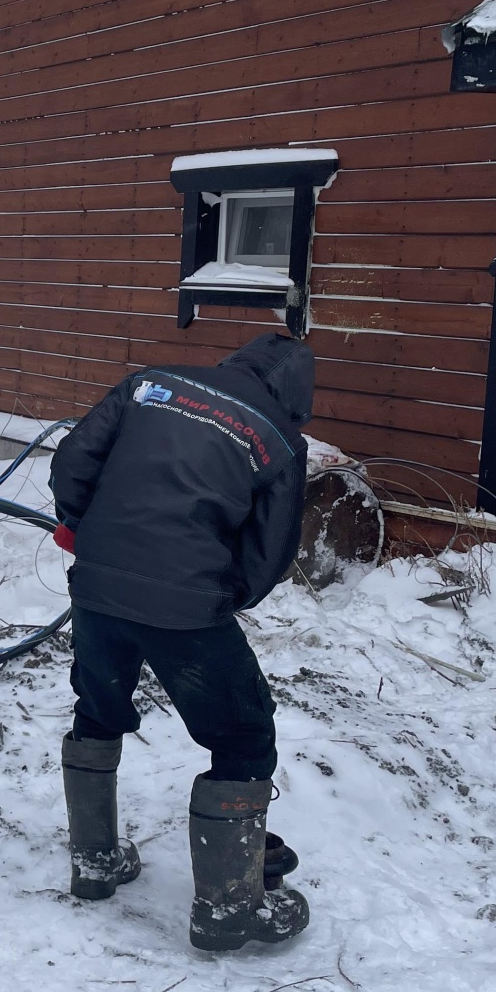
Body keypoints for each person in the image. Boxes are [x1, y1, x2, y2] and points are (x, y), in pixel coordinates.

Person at [48, 331, 315, 953]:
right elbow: (269, 552)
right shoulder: (278, 439)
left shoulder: (150, 384)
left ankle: (95, 864)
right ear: (296, 397)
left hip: (96, 589)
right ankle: (228, 911)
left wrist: (87, 532)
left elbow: (73, 462)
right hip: (189, 608)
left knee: (98, 709)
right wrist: (220, 595)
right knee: (244, 738)